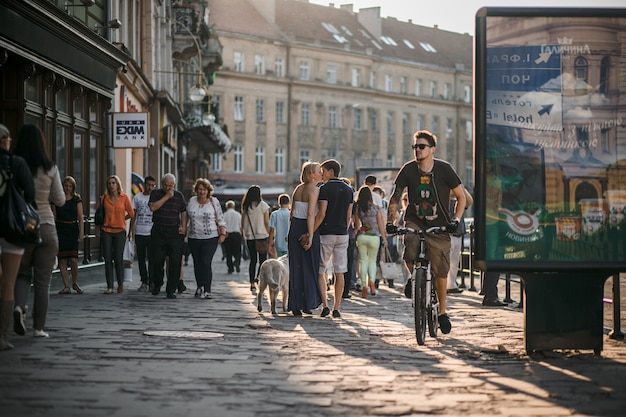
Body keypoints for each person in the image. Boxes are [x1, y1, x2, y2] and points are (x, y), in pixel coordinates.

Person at [387, 130, 466, 335]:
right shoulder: (408, 169)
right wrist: (391, 221)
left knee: (440, 269)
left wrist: (455, 220)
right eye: (415, 147)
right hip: (414, 220)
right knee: (410, 250)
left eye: (421, 146)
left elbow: (461, 197)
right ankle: (415, 278)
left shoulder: (444, 169)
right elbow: (395, 197)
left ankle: (441, 312)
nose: (417, 150)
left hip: (440, 223)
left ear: (432, 149)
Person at [13, 124, 65, 338]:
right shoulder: (50, 167)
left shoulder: (15, 165)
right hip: (46, 225)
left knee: (23, 274)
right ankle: (38, 328)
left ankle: (18, 307)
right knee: (43, 281)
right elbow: (60, 200)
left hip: (24, 226)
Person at [0, 124, 34, 350]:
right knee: (8, 283)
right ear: (5, 141)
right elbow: (30, 195)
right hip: (12, 229)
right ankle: (2, 336)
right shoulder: (17, 163)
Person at [316, 159, 354, 318]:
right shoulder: (349, 189)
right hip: (342, 234)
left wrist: (312, 230)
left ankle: (325, 304)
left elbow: (322, 213)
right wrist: (344, 229)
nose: (322, 174)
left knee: (321, 270)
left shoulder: (324, 189)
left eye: (323, 171)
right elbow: (348, 216)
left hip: (326, 233)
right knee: (340, 272)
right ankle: (337, 307)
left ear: (331, 171)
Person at [287, 162, 323, 316]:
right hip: (305, 225)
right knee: (309, 266)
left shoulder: (297, 189)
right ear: (311, 174)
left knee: (295, 267)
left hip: (294, 226)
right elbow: (310, 214)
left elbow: (292, 212)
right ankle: (308, 302)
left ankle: (295, 304)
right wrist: (310, 234)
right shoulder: (314, 190)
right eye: (318, 171)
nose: (321, 173)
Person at [186, 178, 227, 299]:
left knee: (205, 262)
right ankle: (199, 287)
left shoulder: (213, 201)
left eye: (204, 190)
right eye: (199, 189)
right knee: (197, 263)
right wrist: (185, 232)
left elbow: (220, 217)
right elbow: (186, 217)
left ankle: (207, 289)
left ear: (208, 190)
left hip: (210, 237)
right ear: (196, 190)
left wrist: (223, 233)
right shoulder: (192, 201)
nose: (202, 192)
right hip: (194, 237)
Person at [149, 173, 187, 299]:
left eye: (170, 186)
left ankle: (171, 289)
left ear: (174, 185)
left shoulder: (179, 196)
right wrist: (166, 197)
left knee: (175, 261)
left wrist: (183, 226)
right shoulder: (155, 194)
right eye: (165, 185)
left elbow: (184, 212)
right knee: (157, 260)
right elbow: (153, 207)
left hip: (174, 232)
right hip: (158, 231)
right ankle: (158, 283)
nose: (168, 188)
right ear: (161, 184)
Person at [97, 175, 134, 295]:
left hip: (119, 231)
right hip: (106, 231)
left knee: (118, 259)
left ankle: (120, 283)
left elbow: (132, 213)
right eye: (109, 183)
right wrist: (98, 229)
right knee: (107, 259)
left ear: (117, 185)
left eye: (113, 183)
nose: (111, 185)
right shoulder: (104, 198)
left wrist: (122, 218)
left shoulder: (124, 198)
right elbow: (98, 215)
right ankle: (110, 286)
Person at [353, 185, 387, 298]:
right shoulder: (376, 208)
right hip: (374, 237)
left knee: (363, 261)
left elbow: (357, 226)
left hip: (362, 237)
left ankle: (363, 287)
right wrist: (384, 238)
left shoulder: (358, 208)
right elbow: (381, 224)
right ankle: (371, 283)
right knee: (372, 261)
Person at [482, 158, 507, 307]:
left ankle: (489, 293)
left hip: (493, 222)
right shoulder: (482, 181)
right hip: (486, 222)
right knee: (491, 258)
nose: (487, 165)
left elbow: (499, 203)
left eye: (489, 162)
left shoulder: (497, 182)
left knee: (492, 257)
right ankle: (490, 294)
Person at [55, 176, 85, 294]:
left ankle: (75, 282)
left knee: (73, 259)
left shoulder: (76, 199)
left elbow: (80, 218)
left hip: (72, 229)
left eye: (69, 186)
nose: (67, 188)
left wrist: (81, 233)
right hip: (60, 229)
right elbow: (54, 216)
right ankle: (66, 285)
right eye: (65, 186)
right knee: (62, 259)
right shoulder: (58, 199)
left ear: (73, 187)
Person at [241, 185, 270, 293]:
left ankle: (252, 283)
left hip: (250, 237)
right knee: (263, 260)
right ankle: (258, 277)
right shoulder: (263, 206)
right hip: (262, 236)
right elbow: (267, 222)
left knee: (252, 260)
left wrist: (244, 234)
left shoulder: (246, 207)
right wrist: (269, 233)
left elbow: (242, 224)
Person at [130, 175, 156, 292]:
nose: (150, 187)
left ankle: (152, 282)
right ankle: (144, 281)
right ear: (144, 185)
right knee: (140, 259)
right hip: (140, 232)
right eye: (148, 185)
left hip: (152, 233)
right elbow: (133, 215)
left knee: (152, 258)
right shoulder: (137, 198)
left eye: (152, 185)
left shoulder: (156, 198)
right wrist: (131, 231)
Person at [447, 187, 473, 294]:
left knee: (454, 263)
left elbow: (470, 201)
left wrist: (460, 187)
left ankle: (451, 285)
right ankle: (444, 285)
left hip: (458, 234)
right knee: (445, 262)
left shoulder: (460, 201)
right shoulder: (443, 201)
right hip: (446, 235)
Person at [223, 200, 242, 274]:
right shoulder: (238, 214)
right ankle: (237, 261)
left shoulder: (224, 215)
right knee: (238, 251)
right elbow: (241, 226)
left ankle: (230, 268)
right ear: (233, 206)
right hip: (237, 234)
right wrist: (242, 235)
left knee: (228, 253)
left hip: (227, 235)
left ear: (226, 207)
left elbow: (222, 225)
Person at [269, 193, 290, 258]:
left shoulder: (274, 214)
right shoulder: (291, 214)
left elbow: (272, 230)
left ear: (279, 203)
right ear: (289, 202)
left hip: (278, 242)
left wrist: (269, 244)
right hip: (289, 242)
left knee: (280, 262)